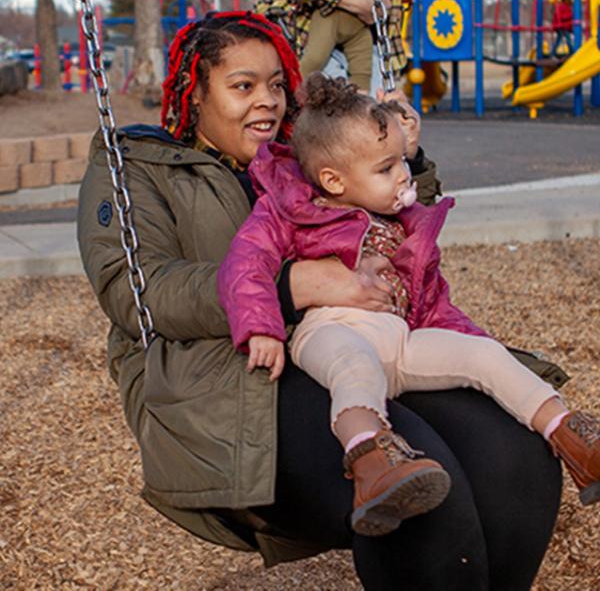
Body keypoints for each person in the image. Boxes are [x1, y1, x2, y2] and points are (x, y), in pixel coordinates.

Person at [78, 11, 564, 590]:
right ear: (195, 92)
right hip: (228, 375)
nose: (268, 101)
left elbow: (388, 212)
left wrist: (400, 152)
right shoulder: (138, 167)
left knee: (517, 456)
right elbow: (141, 292)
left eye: (276, 85)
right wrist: (294, 284)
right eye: (242, 86)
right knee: (420, 487)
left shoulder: (298, 160)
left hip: (358, 343)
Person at [218, 73, 600, 537]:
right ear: (333, 180)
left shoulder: (405, 227)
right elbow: (245, 263)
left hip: (402, 338)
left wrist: (471, 343)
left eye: (401, 160)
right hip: (331, 329)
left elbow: (435, 301)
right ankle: (373, 465)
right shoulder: (290, 208)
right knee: (354, 367)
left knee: (483, 355)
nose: (403, 174)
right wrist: (260, 327)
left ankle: (572, 438)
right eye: (386, 168)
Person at [254, 0, 406, 90]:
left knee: (367, 95)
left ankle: (362, 103)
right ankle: (293, 91)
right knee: (312, 66)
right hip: (310, 28)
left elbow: (386, 3)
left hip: (367, 33)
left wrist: (378, 2)